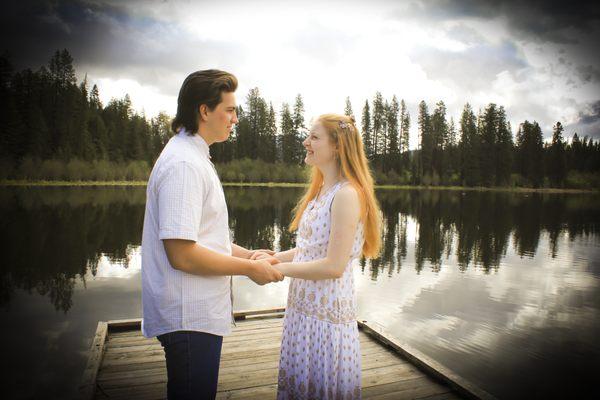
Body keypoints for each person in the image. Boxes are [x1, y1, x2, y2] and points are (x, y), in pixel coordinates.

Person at [141, 69, 283, 400]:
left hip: (196, 314)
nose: (235, 118)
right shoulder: (184, 165)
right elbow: (182, 254)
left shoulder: (194, 156)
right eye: (230, 110)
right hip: (188, 316)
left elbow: (203, 238)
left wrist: (247, 255)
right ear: (204, 111)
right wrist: (250, 270)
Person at [253, 113, 382, 399]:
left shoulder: (347, 194)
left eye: (314, 137)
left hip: (325, 319)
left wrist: (280, 270)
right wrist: (275, 257)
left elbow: (334, 266)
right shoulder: (322, 191)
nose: (305, 141)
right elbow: (310, 250)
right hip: (302, 312)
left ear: (337, 147)